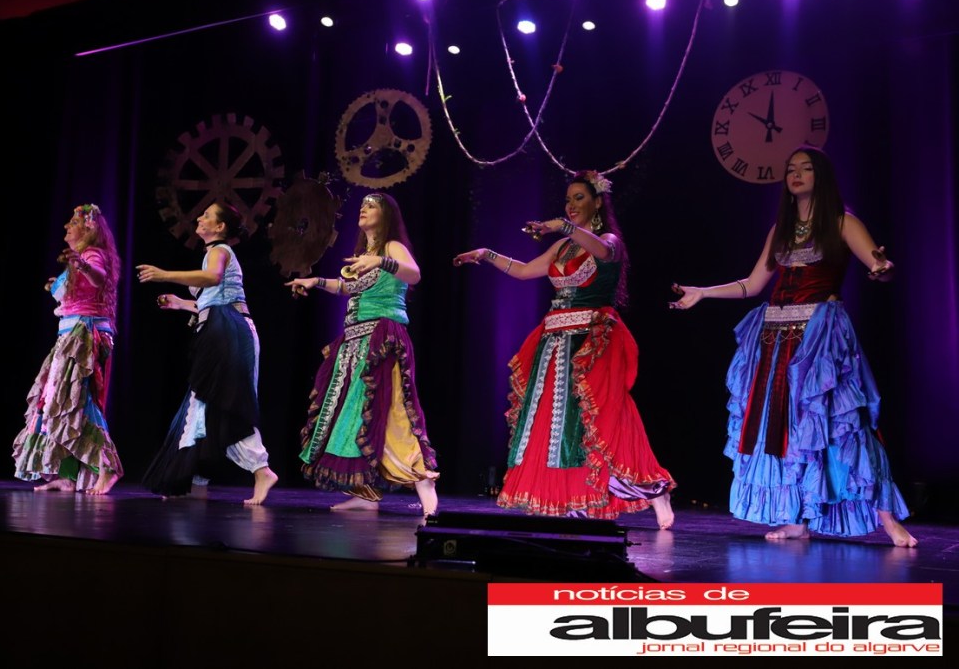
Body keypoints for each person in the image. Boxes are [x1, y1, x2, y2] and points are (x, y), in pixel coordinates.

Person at [669, 146, 916, 547]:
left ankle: (887, 518)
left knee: (839, 423)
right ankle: (796, 519)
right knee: (784, 429)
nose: (796, 174)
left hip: (818, 336)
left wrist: (883, 269)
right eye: (790, 169)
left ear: (822, 176)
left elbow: (878, 265)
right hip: (775, 337)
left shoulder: (841, 222)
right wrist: (704, 292)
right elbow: (752, 285)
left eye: (806, 168)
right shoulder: (779, 230)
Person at [453, 170, 676, 527]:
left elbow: (603, 251)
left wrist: (562, 226)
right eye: (568, 199)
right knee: (559, 424)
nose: (571, 205)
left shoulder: (608, 240)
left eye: (579, 198)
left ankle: (653, 489)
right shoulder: (562, 247)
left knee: (601, 419)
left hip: (591, 341)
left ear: (597, 202)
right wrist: (486, 254)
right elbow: (525, 271)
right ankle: (576, 496)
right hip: (555, 341)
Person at [286, 192, 439, 518]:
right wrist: (315, 281)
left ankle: (425, 486)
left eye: (372, 206)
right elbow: (347, 288)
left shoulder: (391, 247)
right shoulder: (364, 255)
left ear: (387, 215)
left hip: (382, 339)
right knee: (351, 417)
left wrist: (381, 261)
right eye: (362, 205)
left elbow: (414, 274)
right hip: (354, 341)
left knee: (393, 411)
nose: (364, 209)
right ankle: (364, 493)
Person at [137, 202, 279, 506]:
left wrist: (164, 275)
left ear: (220, 227)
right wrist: (181, 304)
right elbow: (212, 299)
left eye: (207, 216)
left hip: (230, 330)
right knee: (203, 403)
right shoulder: (212, 253)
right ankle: (197, 480)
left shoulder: (219, 250)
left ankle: (261, 470)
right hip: (220, 326)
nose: (200, 218)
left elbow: (213, 279)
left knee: (224, 400)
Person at [13, 204, 124, 495]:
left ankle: (107, 466)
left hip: (83, 335)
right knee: (59, 402)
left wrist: (82, 266)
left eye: (72, 223)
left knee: (79, 401)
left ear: (88, 229)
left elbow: (98, 276)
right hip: (70, 334)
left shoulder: (92, 254)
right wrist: (58, 284)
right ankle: (68, 475)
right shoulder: (79, 259)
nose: (66, 227)